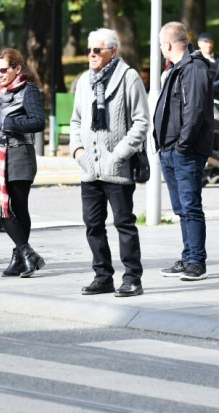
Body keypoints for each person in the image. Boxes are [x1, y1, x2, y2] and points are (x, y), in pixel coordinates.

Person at [70, 28, 150, 296]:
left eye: (97, 50)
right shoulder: (84, 80)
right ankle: (103, 276)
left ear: (112, 52)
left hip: (117, 167)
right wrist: (78, 152)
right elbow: (76, 120)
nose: (91, 55)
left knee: (124, 224)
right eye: (89, 50)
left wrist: (119, 154)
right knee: (93, 225)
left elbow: (141, 121)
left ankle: (132, 279)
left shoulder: (129, 78)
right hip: (89, 169)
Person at [154, 21, 214, 281]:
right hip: (170, 149)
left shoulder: (193, 68)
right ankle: (189, 254)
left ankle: (196, 262)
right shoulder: (177, 68)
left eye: (160, 44)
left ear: (167, 44)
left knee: (190, 207)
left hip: (184, 151)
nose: (160, 49)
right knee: (181, 208)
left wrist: (183, 145)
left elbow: (195, 109)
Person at [0, 48, 45, 278]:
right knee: (1, 207)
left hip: (19, 154)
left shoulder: (29, 90)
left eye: (4, 69)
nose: (0, 74)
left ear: (17, 68)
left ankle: (21, 257)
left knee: (16, 208)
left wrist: (11, 123)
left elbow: (38, 122)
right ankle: (26, 254)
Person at [197, 32, 219, 102]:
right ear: (199, 43)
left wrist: (209, 87)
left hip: (214, 97)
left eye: (210, 42)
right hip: (196, 97)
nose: (208, 45)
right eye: (205, 42)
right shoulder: (193, 59)